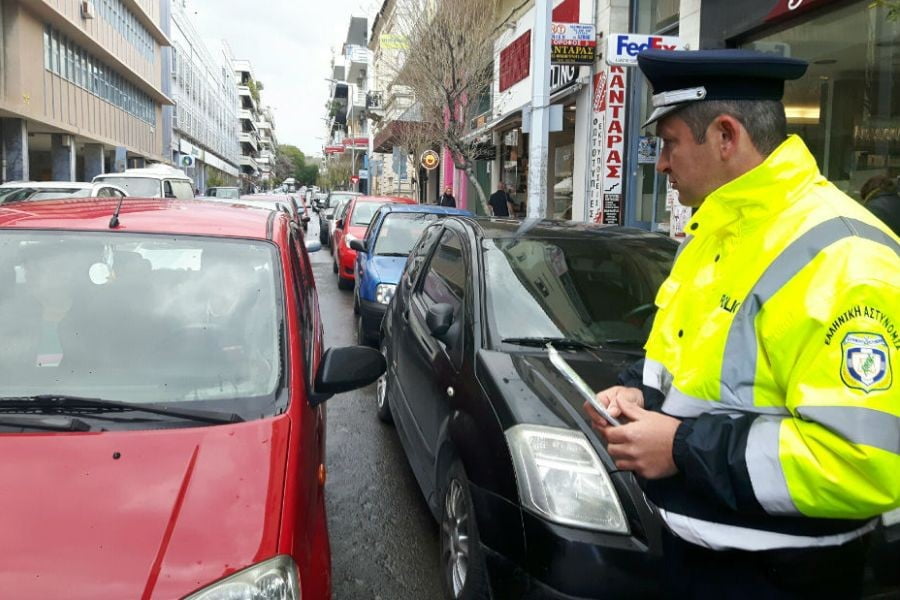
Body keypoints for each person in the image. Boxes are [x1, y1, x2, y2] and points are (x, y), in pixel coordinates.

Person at [584, 49, 900, 598]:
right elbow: (688, 373)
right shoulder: (711, 238)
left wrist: (680, 446)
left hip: (786, 578)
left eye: (670, 142)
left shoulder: (845, 255)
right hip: (696, 559)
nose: (660, 163)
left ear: (726, 136)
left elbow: (863, 463)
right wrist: (635, 394)